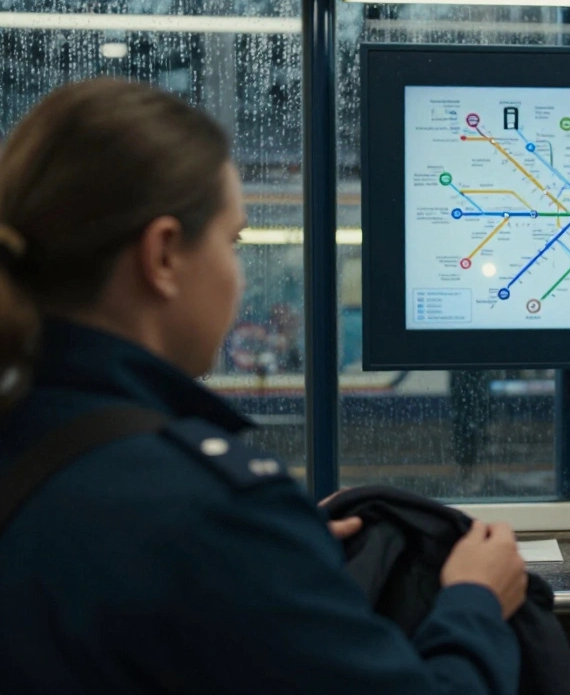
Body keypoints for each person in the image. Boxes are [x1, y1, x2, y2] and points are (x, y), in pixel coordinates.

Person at [0, 78, 528, 695]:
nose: (240, 279)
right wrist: (474, 601)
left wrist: (272, 555)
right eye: (232, 242)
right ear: (164, 255)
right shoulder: (206, 508)